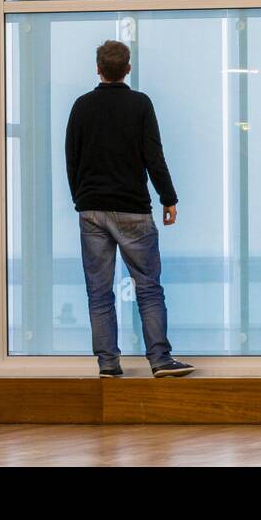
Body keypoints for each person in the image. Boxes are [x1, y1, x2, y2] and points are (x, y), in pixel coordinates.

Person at [65, 39, 194, 379]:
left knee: (99, 291)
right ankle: (160, 360)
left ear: (98, 68)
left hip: (91, 210)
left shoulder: (81, 106)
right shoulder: (140, 105)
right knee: (148, 287)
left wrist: (80, 197)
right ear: (128, 69)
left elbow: (72, 158)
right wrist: (169, 198)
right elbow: (154, 156)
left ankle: (108, 363)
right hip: (133, 209)